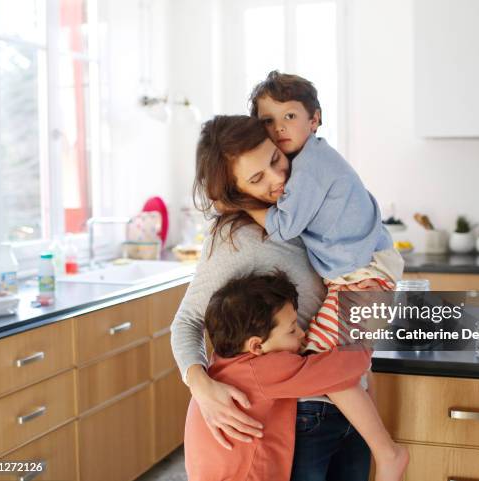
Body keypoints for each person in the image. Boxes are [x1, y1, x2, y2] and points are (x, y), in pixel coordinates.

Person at [172, 114, 381, 481]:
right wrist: (201, 385)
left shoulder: (307, 208)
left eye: (274, 159)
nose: (278, 179)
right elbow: (187, 321)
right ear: (236, 192)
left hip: (350, 401)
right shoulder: (238, 241)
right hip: (303, 417)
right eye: (257, 179)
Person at [239, 71, 409, 479]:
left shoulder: (311, 167)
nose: (279, 128)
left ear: (314, 119)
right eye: (268, 120)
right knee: (346, 363)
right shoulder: (312, 160)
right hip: (364, 273)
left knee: (321, 362)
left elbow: (281, 226)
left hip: (362, 277)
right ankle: (380, 450)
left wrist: (235, 200)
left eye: (290, 116)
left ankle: (386, 452)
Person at [184, 270, 372, 481]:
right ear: (256, 345)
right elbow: (337, 369)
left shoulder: (219, 361)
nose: (302, 334)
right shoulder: (264, 369)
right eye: (292, 330)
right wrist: (365, 345)